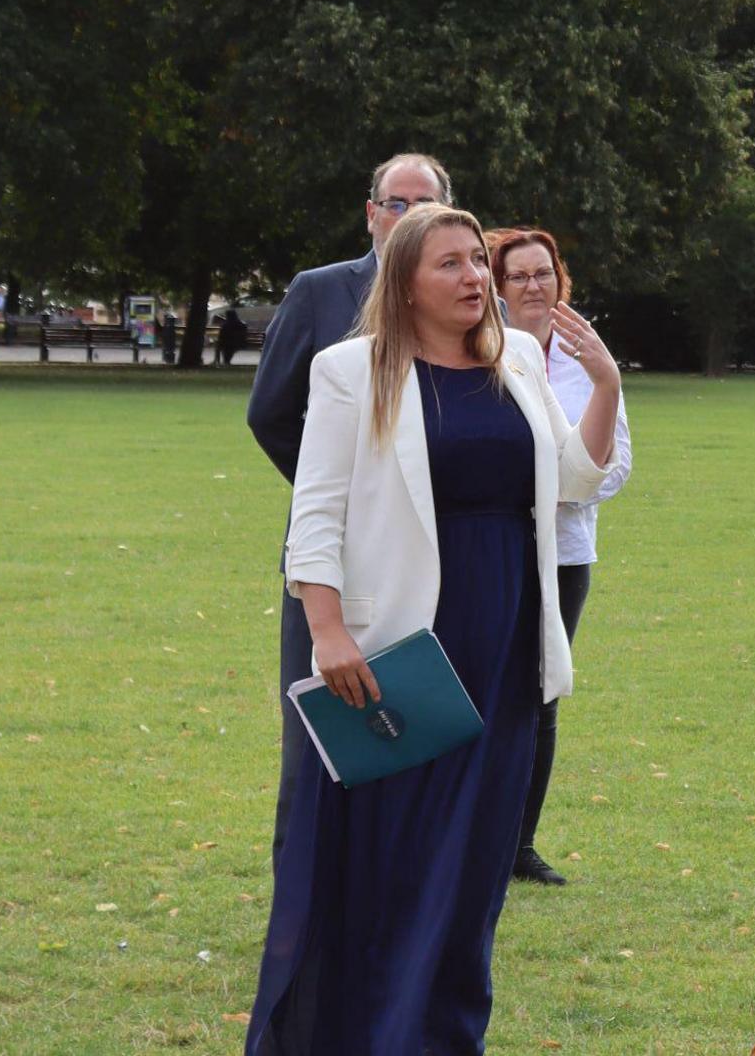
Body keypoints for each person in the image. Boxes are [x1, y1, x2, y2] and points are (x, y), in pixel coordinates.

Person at [245, 204, 622, 1053]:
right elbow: (316, 515)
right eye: (450, 265)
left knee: (477, 862)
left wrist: (604, 387)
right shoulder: (352, 371)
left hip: (508, 641)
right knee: (396, 858)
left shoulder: (520, 359)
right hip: (401, 646)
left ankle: (446, 1037)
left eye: (476, 264)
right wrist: (326, 631)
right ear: (406, 285)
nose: (476, 279)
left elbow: (572, 482)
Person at [246, 152, 455, 867]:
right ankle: (301, 885)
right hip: (331, 559)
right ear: (372, 213)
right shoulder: (321, 293)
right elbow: (272, 413)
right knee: (321, 728)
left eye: (423, 203)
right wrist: (335, 497)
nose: (406, 216)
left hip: (430, 555)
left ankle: (404, 886)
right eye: (395, 203)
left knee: (419, 723)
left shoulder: (460, 298)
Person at [488, 226, 633, 885]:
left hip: (564, 553)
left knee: (539, 695)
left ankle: (519, 845)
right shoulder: (480, 350)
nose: (533, 285)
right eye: (518, 275)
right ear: (497, 286)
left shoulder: (587, 357)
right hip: (490, 544)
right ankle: (467, 837)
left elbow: (618, 463)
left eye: (543, 272)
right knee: (478, 687)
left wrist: (559, 494)